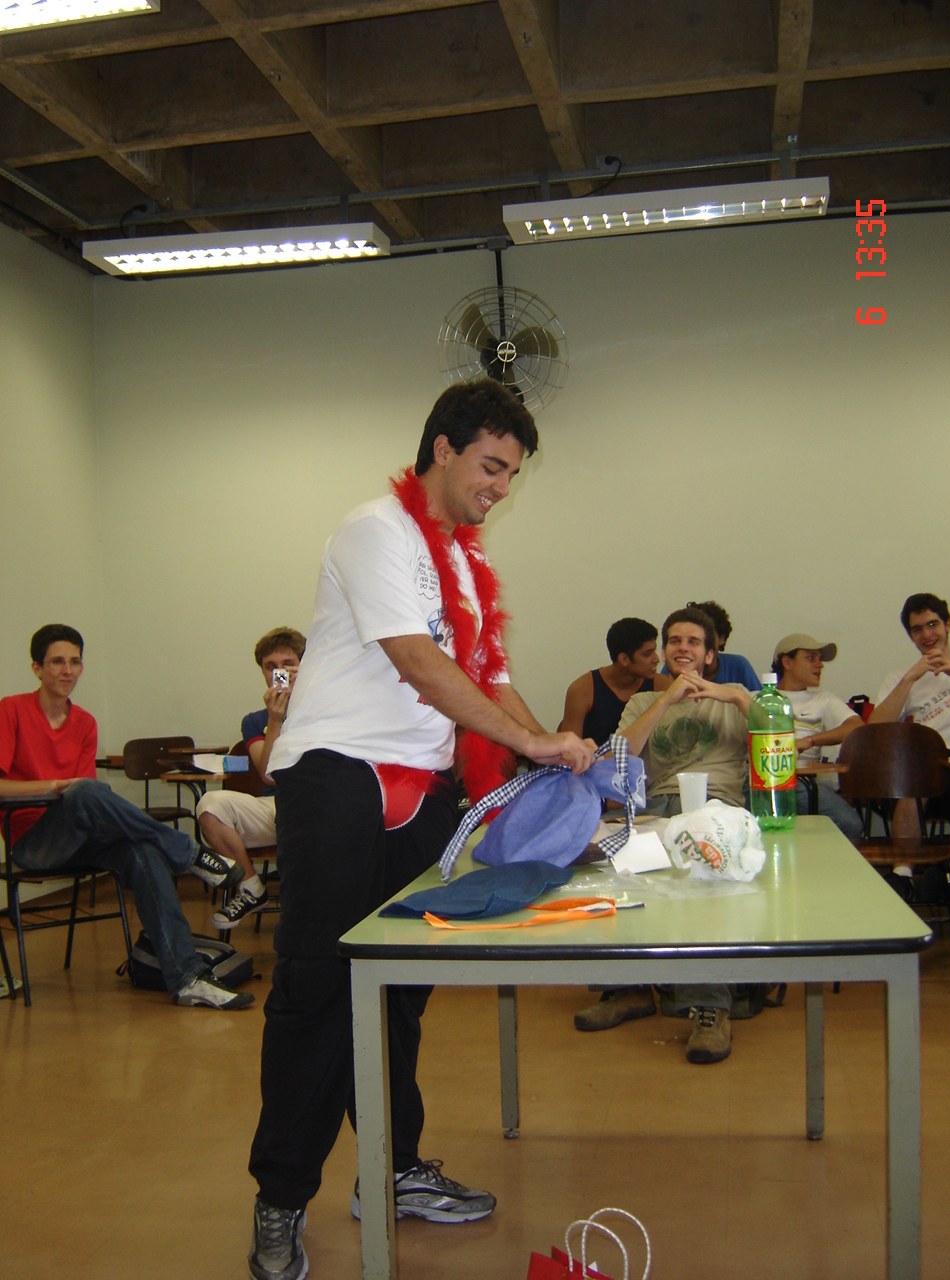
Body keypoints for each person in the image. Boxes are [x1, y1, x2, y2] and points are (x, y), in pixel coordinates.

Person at [246, 381, 595, 1280]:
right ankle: (281, 1196)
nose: (500, 489)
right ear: (443, 448)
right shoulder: (376, 530)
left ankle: (391, 1167)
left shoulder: (468, 568)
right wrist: (527, 740)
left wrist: (549, 751)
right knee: (319, 988)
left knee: (399, 993)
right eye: (492, 467)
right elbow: (418, 661)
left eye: (511, 475)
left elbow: (491, 678)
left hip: (424, 788)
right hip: (340, 777)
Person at [0, 624, 253, 1010]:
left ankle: (187, 980)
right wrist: (53, 787)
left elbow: (87, 799)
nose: (67, 670)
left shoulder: (84, 722)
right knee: (85, 791)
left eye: (75, 661)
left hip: (80, 838)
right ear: (37, 668)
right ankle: (190, 854)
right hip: (32, 843)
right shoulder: (11, 710)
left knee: (144, 852)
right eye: (56, 662)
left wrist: (71, 791)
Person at [575, 607, 751, 1063]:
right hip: (654, 808)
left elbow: (779, 730)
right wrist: (665, 701)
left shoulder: (735, 698)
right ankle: (628, 989)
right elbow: (619, 760)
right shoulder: (643, 702)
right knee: (611, 865)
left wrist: (731, 695)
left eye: (693, 642)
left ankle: (711, 1009)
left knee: (702, 881)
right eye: (674, 641)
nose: (682, 648)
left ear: (710, 654)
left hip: (718, 810)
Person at [197, 627, 306, 930]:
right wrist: (275, 720)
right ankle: (251, 888)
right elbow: (269, 776)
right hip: (275, 806)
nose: (280, 672)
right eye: (271, 667)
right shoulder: (256, 721)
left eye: (288, 664)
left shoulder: (325, 709)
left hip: (317, 805)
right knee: (209, 805)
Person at [871, 593, 950, 836]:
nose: (927, 635)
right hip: (919, 771)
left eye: (932, 624)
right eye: (917, 629)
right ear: (911, 636)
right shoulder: (900, 678)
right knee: (920, 774)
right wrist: (910, 678)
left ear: (948, 625)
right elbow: (873, 731)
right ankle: (904, 863)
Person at [772, 633, 863, 840]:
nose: (820, 665)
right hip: (762, 779)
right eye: (811, 658)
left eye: (820, 659)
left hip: (802, 782)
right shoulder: (758, 698)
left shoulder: (823, 700)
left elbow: (856, 727)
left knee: (849, 824)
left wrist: (809, 741)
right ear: (787, 662)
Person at [559, 617, 661, 743]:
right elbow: (568, 749)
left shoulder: (662, 686)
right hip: (592, 756)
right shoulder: (582, 690)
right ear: (624, 659)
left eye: (655, 650)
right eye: (647, 654)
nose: (656, 659)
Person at [684, 599, 762, 691]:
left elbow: (760, 699)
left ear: (721, 639)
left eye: (708, 636)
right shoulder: (676, 665)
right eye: (693, 640)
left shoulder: (738, 666)